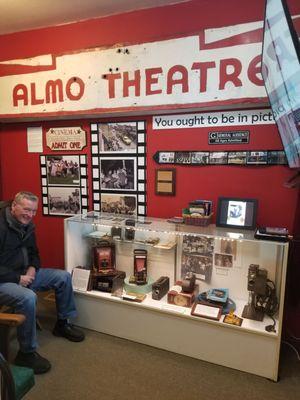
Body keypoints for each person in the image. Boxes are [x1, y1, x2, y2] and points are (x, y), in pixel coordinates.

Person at [0, 191, 85, 374]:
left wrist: (32, 268)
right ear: (13, 206)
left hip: (24, 274)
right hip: (4, 281)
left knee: (63, 277)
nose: (30, 215)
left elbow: (34, 254)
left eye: (33, 211)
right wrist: (17, 278)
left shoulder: (27, 225)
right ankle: (26, 353)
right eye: (26, 209)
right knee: (28, 298)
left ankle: (62, 324)